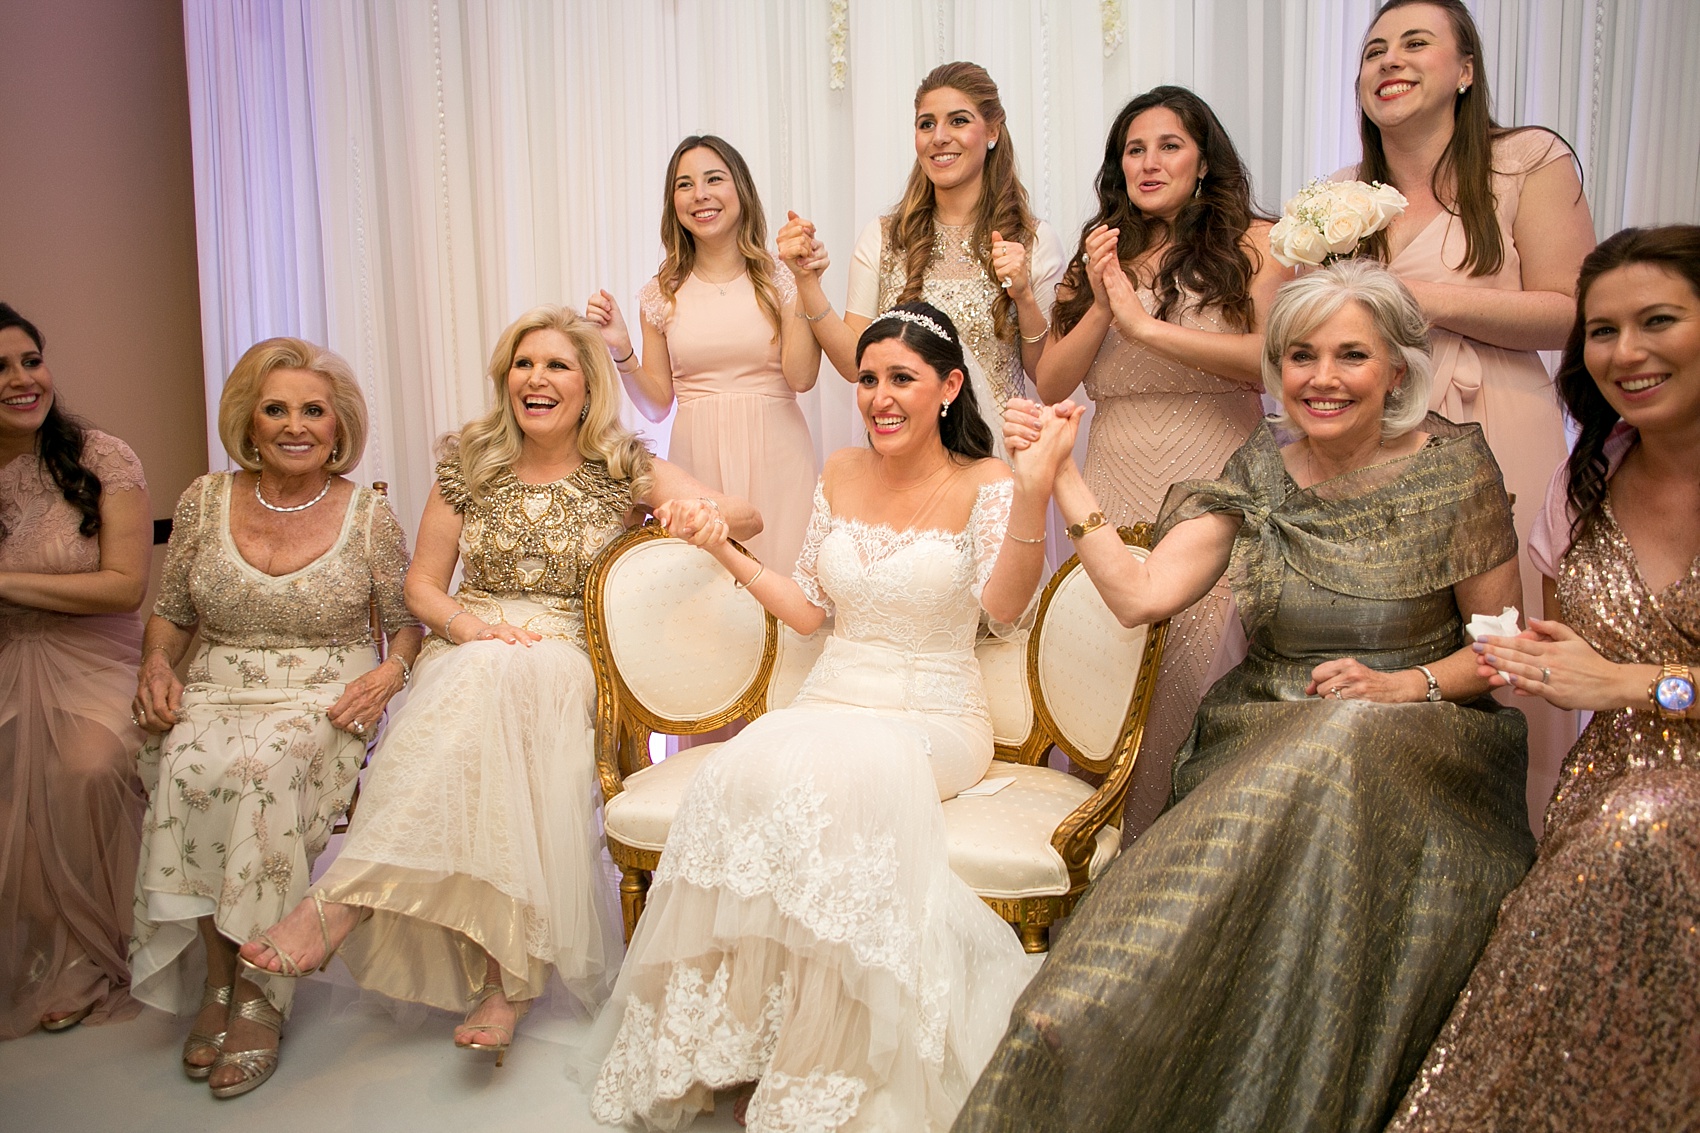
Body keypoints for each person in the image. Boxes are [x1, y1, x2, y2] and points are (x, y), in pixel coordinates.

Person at [954, 261, 1535, 1133]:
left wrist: (1403, 684)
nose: (1323, 378)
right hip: (1263, 739)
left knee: (1345, 735)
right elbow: (1142, 593)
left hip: (1427, 742)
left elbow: (1503, 648)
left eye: (1351, 356)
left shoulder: (1457, 467)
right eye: (1301, 355)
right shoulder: (1261, 464)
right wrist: (1063, 476)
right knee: (1078, 999)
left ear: (1398, 371)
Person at [239, 305, 758, 1069]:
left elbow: (744, 511)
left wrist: (692, 510)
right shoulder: (468, 460)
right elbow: (421, 585)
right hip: (473, 643)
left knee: (513, 680)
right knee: (483, 684)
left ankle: (344, 902)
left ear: (586, 386)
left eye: (556, 365)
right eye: (523, 364)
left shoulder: (622, 464)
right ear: (504, 379)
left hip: (570, 652)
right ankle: (505, 980)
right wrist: (467, 626)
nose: (536, 378)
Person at [587, 302, 1056, 1131]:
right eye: (867, 378)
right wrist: (720, 548)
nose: (878, 394)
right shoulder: (839, 469)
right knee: (744, 769)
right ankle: (744, 1039)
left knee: (836, 774)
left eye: (900, 378)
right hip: (832, 693)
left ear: (949, 387)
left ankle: (828, 1061)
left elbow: (1008, 609)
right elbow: (806, 611)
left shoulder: (988, 483)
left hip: (932, 711)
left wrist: (1031, 496)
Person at [1386, 226, 1700, 1133]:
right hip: (1605, 790)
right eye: (1601, 331)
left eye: (1658, 321)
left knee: (1648, 834)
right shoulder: (1586, 479)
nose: (1626, 352)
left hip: (1659, 805)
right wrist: (1421, 676)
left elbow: (1613, 676)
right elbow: (1547, 644)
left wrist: (1643, 686)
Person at [127, 337, 421, 1097]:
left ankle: (260, 990)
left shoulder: (369, 514)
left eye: (313, 410)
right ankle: (217, 980)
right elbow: (170, 613)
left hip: (327, 689)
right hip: (219, 678)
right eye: (277, 408)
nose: (297, 425)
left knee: (265, 767)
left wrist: (390, 673)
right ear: (249, 423)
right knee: (187, 757)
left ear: (338, 425)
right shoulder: (201, 499)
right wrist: (157, 664)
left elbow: (407, 619)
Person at [1348, 0, 1597, 825]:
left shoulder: (1526, 162)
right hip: (1385, 437)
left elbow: (1571, 311)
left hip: (1500, 411)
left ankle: (1526, 842)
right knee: (1399, 635)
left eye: (1416, 43)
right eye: (1375, 48)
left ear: (1465, 71)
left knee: (1509, 635)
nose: (1391, 59)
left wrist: (1422, 299)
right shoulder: (1345, 200)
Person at [1034, 85, 1291, 836]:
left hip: (1214, 466)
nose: (1149, 163)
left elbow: (1273, 364)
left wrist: (1146, 329)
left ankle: (1182, 853)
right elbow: (1052, 379)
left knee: (1197, 662)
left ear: (1204, 157)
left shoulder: (1259, 244)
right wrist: (1108, 302)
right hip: (1110, 468)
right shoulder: (1102, 250)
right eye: (1134, 149)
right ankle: (1100, 855)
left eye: (1169, 145)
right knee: (1106, 658)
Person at [778, 61, 1066, 457]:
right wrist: (807, 282)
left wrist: (1024, 298)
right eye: (926, 124)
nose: (939, 138)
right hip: (904, 456)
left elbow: (1047, 377)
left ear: (993, 131)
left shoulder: (1033, 241)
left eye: (958, 121)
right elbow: (852, 364)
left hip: (998, 456)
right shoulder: (883, 238)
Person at [0, 303, 151, 1038]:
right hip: (4, 663)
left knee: (89, 764)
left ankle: (96, 952)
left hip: (96, 656)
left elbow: (126, 584)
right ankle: (39, 950)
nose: (23, 380)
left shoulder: (101, 457)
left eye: (30, 359)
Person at [585, 134, 822, 573]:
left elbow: (802, 378)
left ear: (741, 190)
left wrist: (805, 283)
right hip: (697, 459)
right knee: (708, 594)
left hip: (779, 453)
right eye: (684, 184)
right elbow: (656, 406)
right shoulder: (660, 294)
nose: (700, 195)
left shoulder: (781, 278)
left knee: (785, 587)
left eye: (714, 179)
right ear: (672, 201)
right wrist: (622, 349)